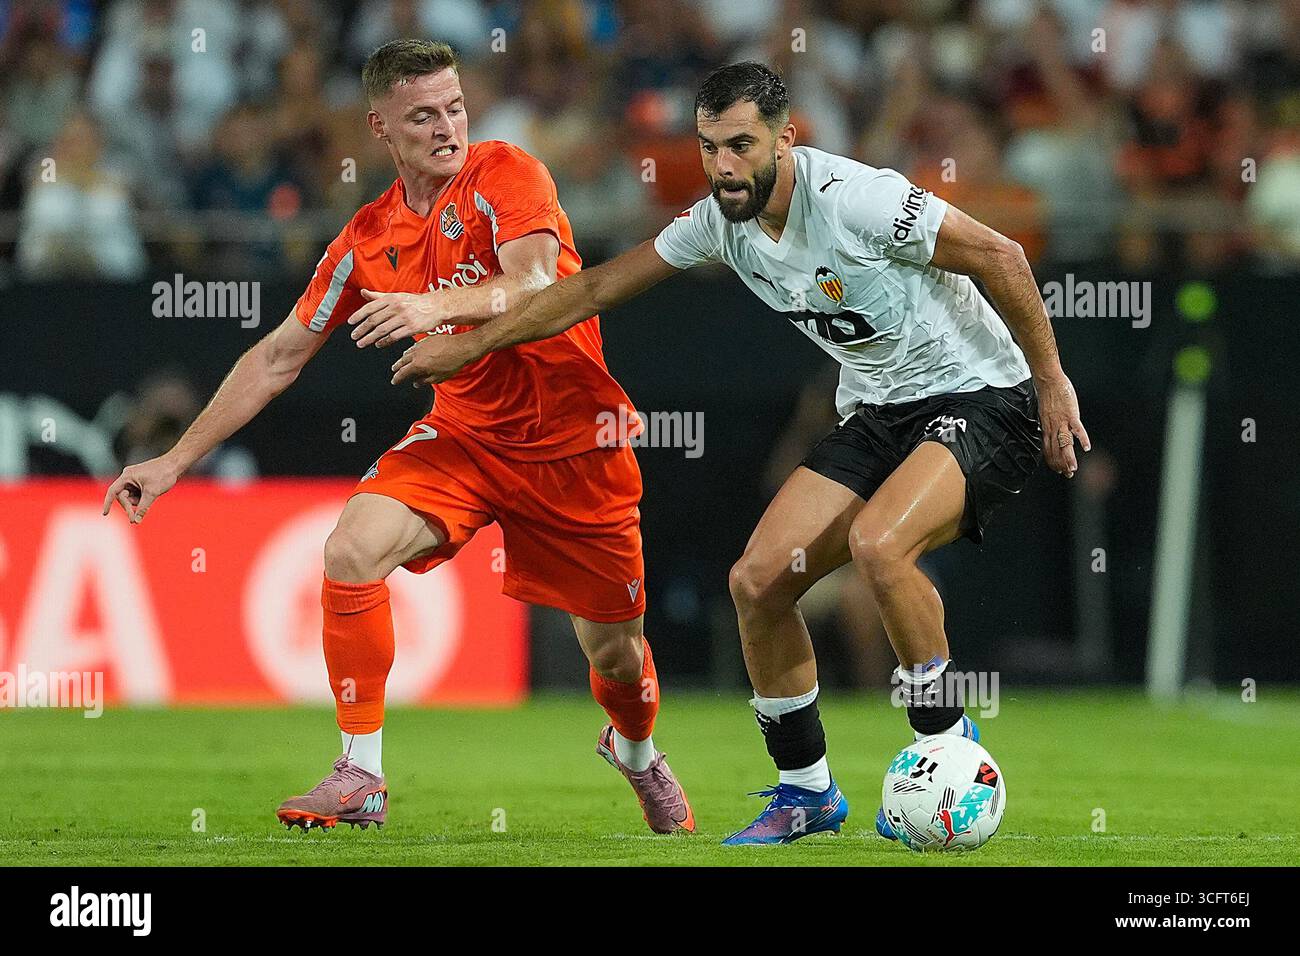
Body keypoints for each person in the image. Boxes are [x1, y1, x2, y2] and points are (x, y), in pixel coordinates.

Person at [390, 61, 1088, 845]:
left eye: (741, 147)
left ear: (785, 140)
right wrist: (472, 346)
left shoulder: (856, 198)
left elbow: (1002, 256)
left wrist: (1051, 383)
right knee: (757, 583)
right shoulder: (718, 222)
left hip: (984, 396)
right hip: (883, 410)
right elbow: (591, 290)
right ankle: (806, 792)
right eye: (709, 147)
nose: (723, 167)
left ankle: (947, 746)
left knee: (879, 546)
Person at [102, 39, 694, 836]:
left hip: (574, 445)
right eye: (423, 115)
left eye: (454, 107)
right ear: (381, 127)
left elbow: (537, 280)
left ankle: (635, 753)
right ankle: (362, 774)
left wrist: (431, 309)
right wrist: (175, 459)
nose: (447, 127)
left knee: (617, 655)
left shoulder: (506, 174)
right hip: (466, 440)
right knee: (349, 550)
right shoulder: (366, 241)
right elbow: (277, 357)